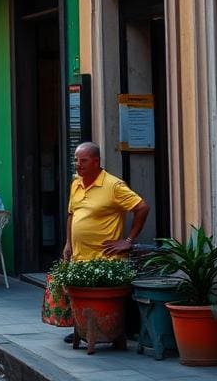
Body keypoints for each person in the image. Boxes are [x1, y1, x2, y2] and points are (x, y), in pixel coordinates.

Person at [61, 141, 150, 343]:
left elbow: (142, 207)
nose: (78, 164)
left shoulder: (113, 185)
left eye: (83, 161)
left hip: (105, 257)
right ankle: (82, 328)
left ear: (96, 162)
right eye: (76, 160)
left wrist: (128, 240)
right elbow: (71, 215)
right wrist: (68, 243)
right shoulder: (76, 183)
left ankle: (111, 331)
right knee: (78, 293)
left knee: (102, 298)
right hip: (80, 254)